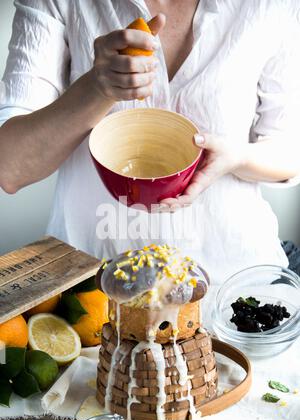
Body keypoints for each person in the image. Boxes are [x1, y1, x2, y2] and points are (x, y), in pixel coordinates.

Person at [0, 0, 299, 284]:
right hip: (93, 288)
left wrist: (238, 157)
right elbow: (11, 167)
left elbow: (289, 151)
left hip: (235, 286)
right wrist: (97, 88)